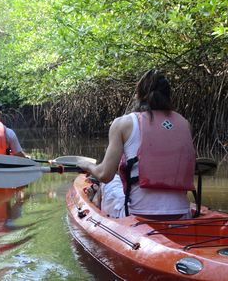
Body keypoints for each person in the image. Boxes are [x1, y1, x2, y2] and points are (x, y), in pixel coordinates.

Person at [78, 69, 196, 219]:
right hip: (183, 214)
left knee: (110, 181)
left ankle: (95, 202)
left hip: (139, 214)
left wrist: (87, 165)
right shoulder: (185, 124)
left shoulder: (123, 123)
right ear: (168, 96)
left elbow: (104, 174)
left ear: (139, 95)